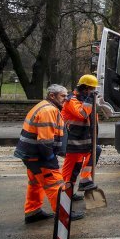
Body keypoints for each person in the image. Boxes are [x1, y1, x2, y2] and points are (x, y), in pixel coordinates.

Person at [15, 84, 84, 223]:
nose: (66, 99)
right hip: (39, 155)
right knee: (55, 183)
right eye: (63, 96)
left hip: (30, 153)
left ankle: (32, 211)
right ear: (52, 96)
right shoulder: (48, 110)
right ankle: (64, 213)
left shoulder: (44, 106)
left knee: (35, 182)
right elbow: (45, 141)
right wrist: (50, 158)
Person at [61, 74, 112, 200]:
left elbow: (105, 114)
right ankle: (65, 194)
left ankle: (80, 184)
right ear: (85, 89)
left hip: (82, 140)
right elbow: (82, 114)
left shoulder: (86, 100)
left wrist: (100, 103)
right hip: (73, 141)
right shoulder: (71, 100)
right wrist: (90, 100)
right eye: (92, 89)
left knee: (80, 164)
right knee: (70, 170)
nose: (94, 92)